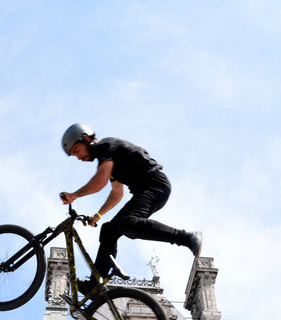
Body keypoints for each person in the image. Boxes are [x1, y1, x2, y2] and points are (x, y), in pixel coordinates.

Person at [59, 123, 202, 290]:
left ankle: (188, 238)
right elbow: (117, 193)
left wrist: (74, 195)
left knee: (128, 224)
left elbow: (100, 181)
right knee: (109, 230)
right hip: (145, 189)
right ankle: (95, 285)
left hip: (155, 185)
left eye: (77, 150)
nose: (78, 157)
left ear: (86, 139)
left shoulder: (106, 146)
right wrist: (98, 215)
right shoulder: (108, 158)